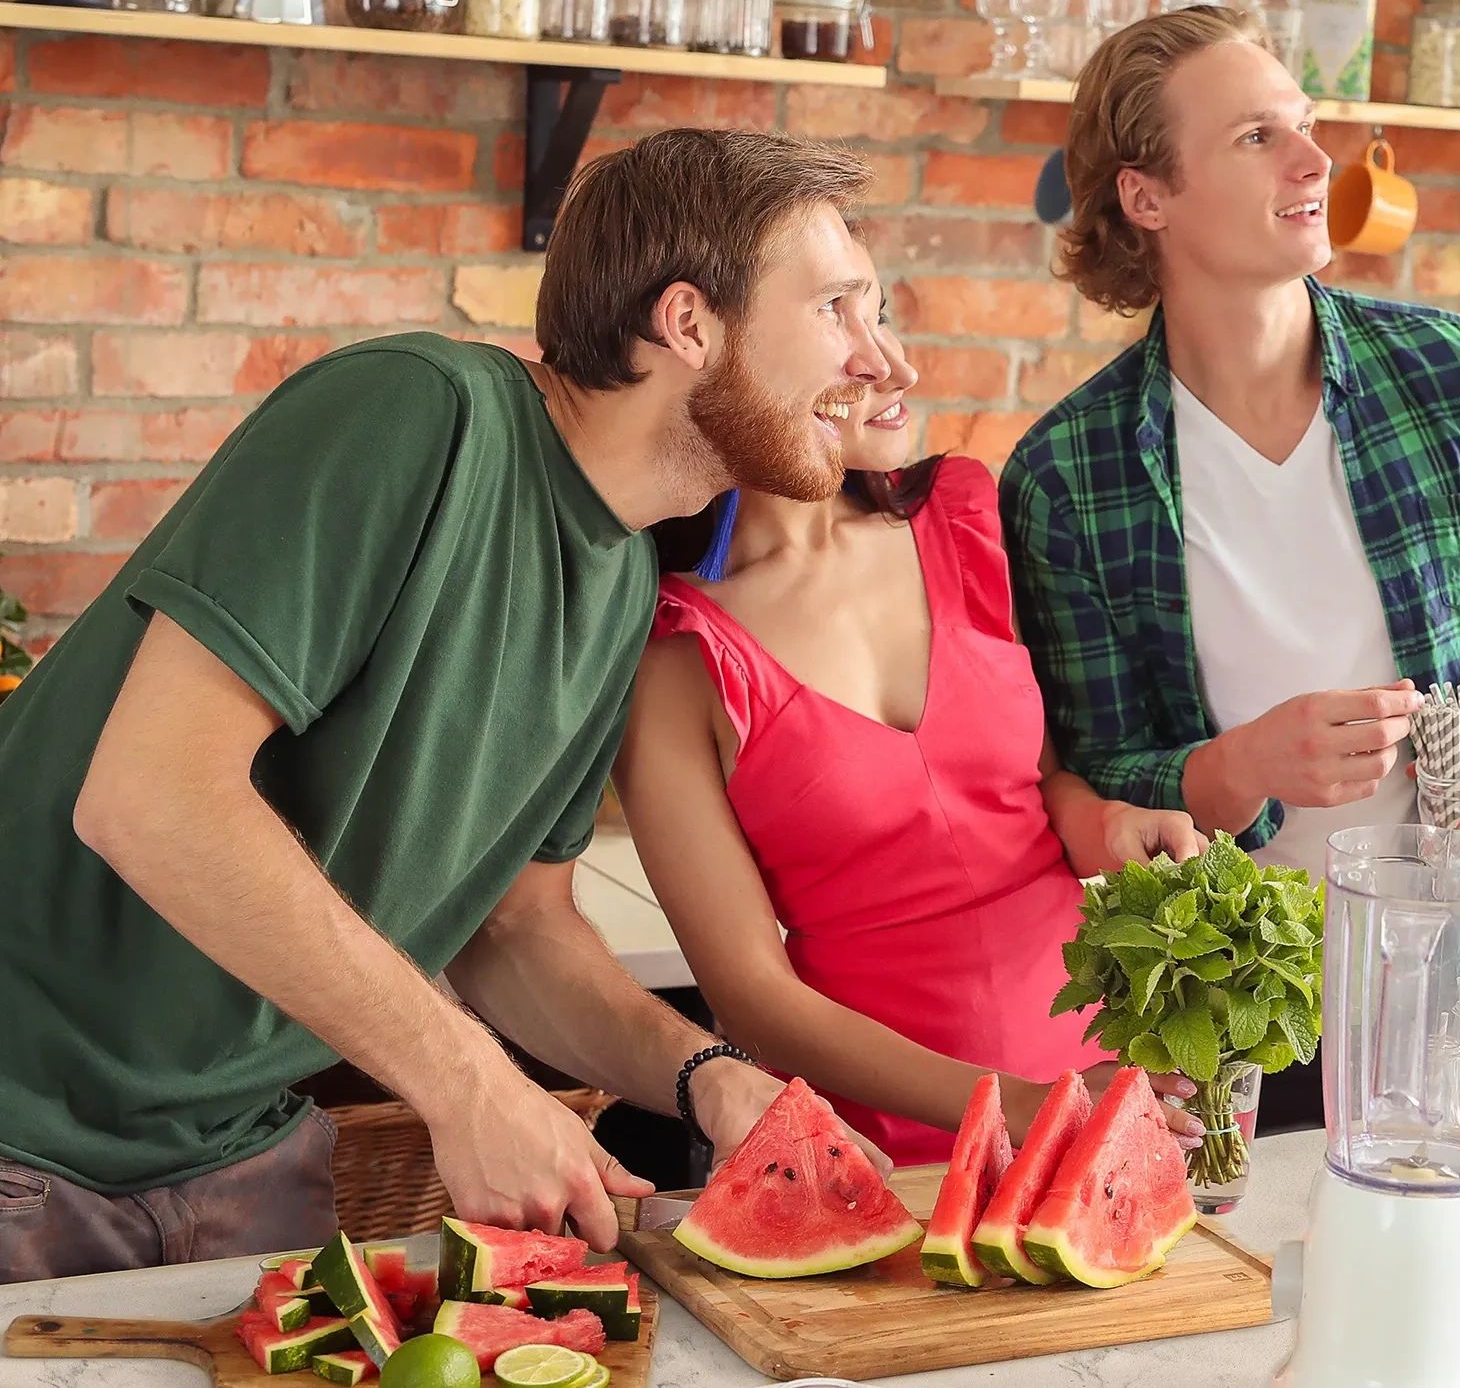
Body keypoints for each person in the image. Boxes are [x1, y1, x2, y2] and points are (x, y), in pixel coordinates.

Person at [0, 128, 898, 1283]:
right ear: (689, 323)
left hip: (239, 1160)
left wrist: (706, 1075)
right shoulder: (419, 414)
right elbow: (149, 796)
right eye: (838, 307)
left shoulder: (622, 580)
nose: (880, 361)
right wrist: (468, 1079)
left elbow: (515, 931)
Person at [1000, 6, 1460, 1125]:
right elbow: (1097, 773)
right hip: (1222, 1006)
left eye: (1305, 125)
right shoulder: (1066, 475)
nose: (1315, 161)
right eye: (1257, 137)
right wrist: (1240, 763)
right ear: (1146, 197)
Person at [613, 292, 1209, 1168]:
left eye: (880, 313)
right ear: (724, 353)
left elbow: (1035, 784)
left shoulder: (962, 516)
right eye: (834, 319)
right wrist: (1014, 1104)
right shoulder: (678, 654)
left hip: (1104, 1093)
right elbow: (751, 997)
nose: (893, 362)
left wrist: (1105, 825)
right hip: (877, 1148)